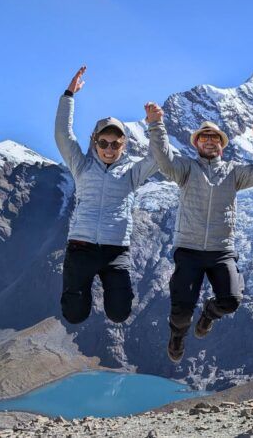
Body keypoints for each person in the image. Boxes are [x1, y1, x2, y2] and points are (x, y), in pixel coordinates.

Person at [145, 102, 253, 363]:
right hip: (189, 250)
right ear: (196, 143)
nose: (210, 141)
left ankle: (208, 314)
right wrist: (156, 124)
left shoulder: (233, 173)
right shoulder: (185, 170)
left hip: (221, 250)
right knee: (180, 312)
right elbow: (163, 158)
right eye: (204, 137)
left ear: (222, 145)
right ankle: (178, 336)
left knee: (232, 300)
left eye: (215, 138)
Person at [55, 66, 159, 324]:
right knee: (74, 314)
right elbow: (62, 136)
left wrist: (156, 125)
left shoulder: (132, 172)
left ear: (123, 145)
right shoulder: (82, 165)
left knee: (120, 312)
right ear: (95, 142)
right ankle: (80, 296)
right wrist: (69, 95)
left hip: (115, 251)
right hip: (81, 247)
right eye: (104, 142)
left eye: (115, 143)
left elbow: (158, 158)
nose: (109, 149)